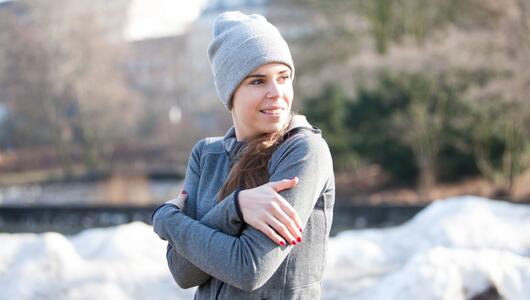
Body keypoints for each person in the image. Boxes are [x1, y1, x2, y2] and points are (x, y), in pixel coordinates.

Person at [152, 11, 335, 299]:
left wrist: (167, 218)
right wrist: (236, 209)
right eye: (258, 81)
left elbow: (249, 268)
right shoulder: (206, 155)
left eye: (283, 77)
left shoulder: (303, 151)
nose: (277, 92)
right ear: (230, 91)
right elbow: (183, 272)